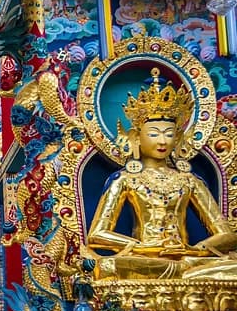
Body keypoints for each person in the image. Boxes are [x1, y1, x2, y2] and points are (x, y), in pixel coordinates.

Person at [87, 68, 237, 280]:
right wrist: (141, 247)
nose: (163, 141)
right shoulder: (126, 180)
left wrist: (195, 249)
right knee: (109, 265)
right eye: (154, 134)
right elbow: (97, 234)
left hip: (187, 258)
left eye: (169, 134)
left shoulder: (189, 181)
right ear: (137, 138)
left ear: (177, 138)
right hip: (144, 260)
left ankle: (186, 272)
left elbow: (227, 235)